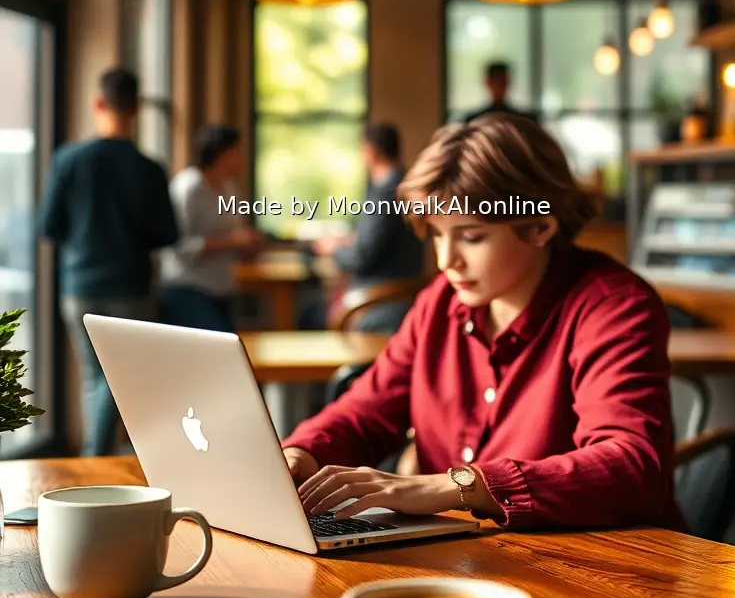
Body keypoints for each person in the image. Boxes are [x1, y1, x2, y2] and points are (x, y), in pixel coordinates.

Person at [281, 112, 682, 533]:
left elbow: (632, 466)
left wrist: (458, 486)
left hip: (604, 572)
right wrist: (301, 454)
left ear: (541, 225)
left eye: (472, 236)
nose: (446, 260)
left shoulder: (613, 306)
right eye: (437, 233)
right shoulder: (440, 303)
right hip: (473, 564)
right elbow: (366, 411)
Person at [39, 68, 179, 456]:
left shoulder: (69, 159)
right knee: (121, 376)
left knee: (95, 377)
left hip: (79, 288)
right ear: (136, 108)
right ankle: (99, 457)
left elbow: (48, 225)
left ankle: (98, 460)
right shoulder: (149, 169)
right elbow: (168, 235)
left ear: (97, 103)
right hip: (131, 287)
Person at [307, 122, 424, 331]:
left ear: (369, 150)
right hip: (397, 295)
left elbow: (362, 258)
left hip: (380, 300)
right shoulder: (404, 186)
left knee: (309, 316)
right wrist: (350, 239)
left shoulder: (387, 192)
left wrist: (332, 249)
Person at [160, 125, 264, 333]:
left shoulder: (228, 187)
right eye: (238, 151)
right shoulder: (189, 187)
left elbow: (234, 231)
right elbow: (178, 245)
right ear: (223, 152)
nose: (242, 157)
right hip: (187, 287)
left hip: (222, 286)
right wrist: (231, 242)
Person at [462, 61, 538, 123]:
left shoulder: (525, 119)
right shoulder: (474, 120)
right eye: (496, 81)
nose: (499, 85)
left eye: (503, 81)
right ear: (488, 82)